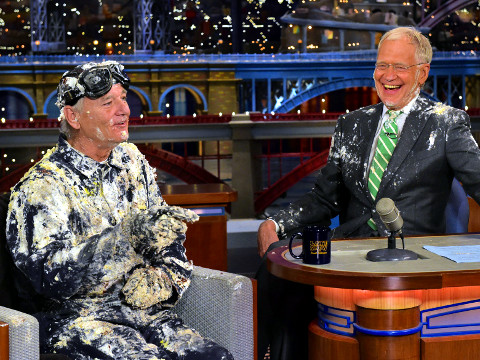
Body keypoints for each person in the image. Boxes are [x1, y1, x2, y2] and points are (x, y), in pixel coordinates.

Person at [256, 26, 480, 360]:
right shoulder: (351, 124)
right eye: (382, 65)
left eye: (400, 67)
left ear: (422, 73)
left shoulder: (446, 123)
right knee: (277, 278)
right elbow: (323, 198)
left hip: (410, 258)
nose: (388, 76)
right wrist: (275, 224)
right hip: (348, 249)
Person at [6, 61, 233, 360]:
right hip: (78, 323)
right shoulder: (41, 188)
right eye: (107, 102)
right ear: (73, 116)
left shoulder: (132, 161)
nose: (124, 109)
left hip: (148, 316)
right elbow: (51, 279)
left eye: (123, 98)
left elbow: (168, 240)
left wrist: (164, 280)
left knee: (215, 357)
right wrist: (124, 238)